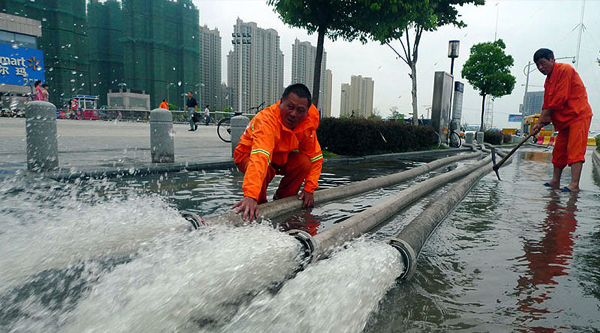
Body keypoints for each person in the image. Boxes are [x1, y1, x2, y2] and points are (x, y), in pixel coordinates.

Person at [232, 83, 323, 222]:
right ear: (281, 102)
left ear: (307, 111)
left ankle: (283, 200)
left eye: (300, 110)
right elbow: (260, 157)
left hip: (279, 158)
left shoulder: (307, 123)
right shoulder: (266, 120)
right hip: (248, 156)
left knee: (304, 162)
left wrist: (309, 189)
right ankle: (259, 206)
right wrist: (250, 196)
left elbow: (316, 158)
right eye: (290, 107)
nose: (294, 114)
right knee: (265, 168)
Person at [530, 48, 593, 193]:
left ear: (552, 59)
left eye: (543, 63)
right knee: (559, 151)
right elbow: (547, 104)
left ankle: (574, 185)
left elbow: (560, 98)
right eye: (537, 65)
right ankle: (555, 181)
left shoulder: (565, 70)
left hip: (578, 116)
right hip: (564, 120)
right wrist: (539, 122)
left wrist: (545, 118)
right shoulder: (548, 81)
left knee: (575, 150)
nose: (540, 67)